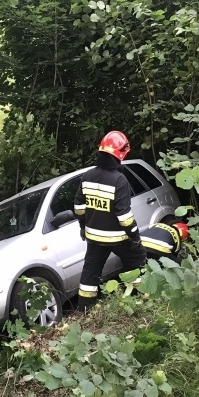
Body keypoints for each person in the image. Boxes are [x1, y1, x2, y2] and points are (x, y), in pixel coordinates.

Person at [74, 131, 146, 310]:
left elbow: (79, 208)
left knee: (90, 273)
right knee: (136, 259)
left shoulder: (87, 176)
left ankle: (85, 309)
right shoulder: (119, 180)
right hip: (117, 238)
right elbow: (124, 217)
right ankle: (138, 299)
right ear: (120, 153)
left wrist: (83, 227)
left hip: (94, 238)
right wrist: (135, 237)